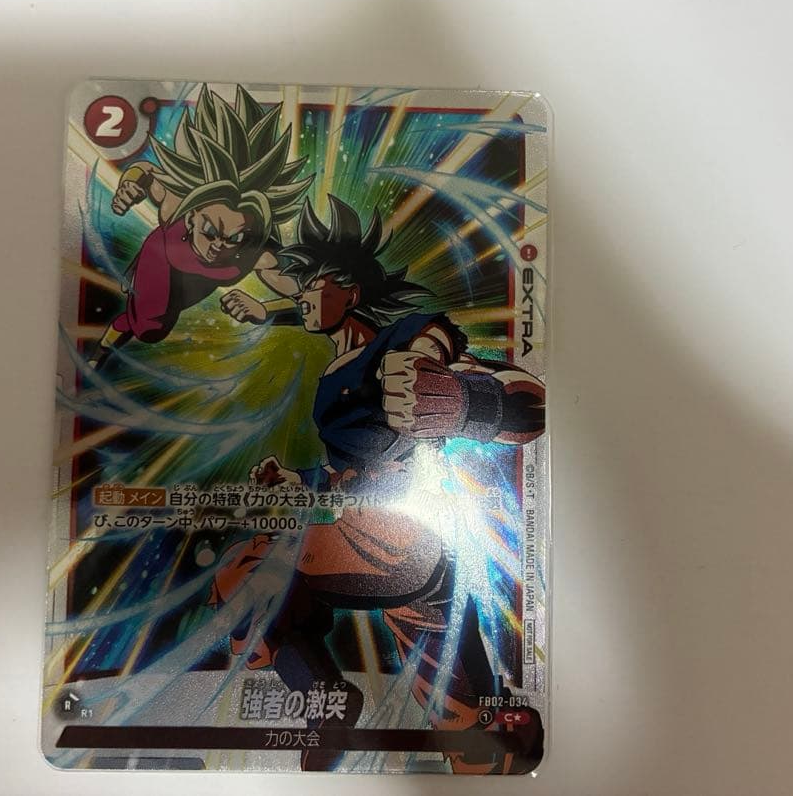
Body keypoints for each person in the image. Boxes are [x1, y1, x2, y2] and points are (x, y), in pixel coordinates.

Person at [211, 196, 546, 772]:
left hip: (396, 544)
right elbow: (355, 470)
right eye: (299, 288)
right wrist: (299, 480)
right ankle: (362, 711)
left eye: (312, 286)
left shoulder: (401, 341)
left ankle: (332, 704)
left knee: (247, 574)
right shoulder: (334, 372)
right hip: (381, 540)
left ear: (350, 292)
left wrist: (461, 401)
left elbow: (530, 404)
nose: (301, 298)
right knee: (463, 722)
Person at [91, 85, 311, 367]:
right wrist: (129, 185)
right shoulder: (175, 205)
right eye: (210, 232)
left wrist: (264, 310)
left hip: (193, 286)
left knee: (154, 325)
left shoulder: (259, 254)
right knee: (148, 328)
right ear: (192, 216)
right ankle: (100, 353)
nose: (219, 246)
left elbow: (308, 301)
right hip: (159, 262)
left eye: (234, 238)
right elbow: (145, 171)